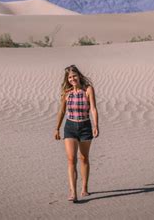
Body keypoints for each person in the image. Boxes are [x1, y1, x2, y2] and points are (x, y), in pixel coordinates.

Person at [54, 64, 99, 203]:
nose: (72, 79)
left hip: (85, 126)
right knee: (70, 159)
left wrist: (96, 125)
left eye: (74, 76)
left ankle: (84, 188)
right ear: (67, 79)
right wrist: (57, 128)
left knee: (84, 158)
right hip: (70, 127)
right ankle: (73, 192)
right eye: (70, 77)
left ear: (79, 75)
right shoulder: (66, 93)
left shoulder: (88, 90)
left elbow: (93, 108)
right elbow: (61, 111)